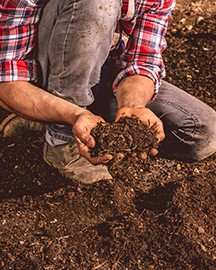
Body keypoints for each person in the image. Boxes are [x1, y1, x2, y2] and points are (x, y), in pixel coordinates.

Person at [1, 0, 216, 184]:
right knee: (99, 3)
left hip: (100, 70)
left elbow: (142, 62)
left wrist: (132, 105)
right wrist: (73, 114)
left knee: (201, 132)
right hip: (38, 71)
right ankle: (62, 140)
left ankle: (57, 119)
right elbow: (7, 81)